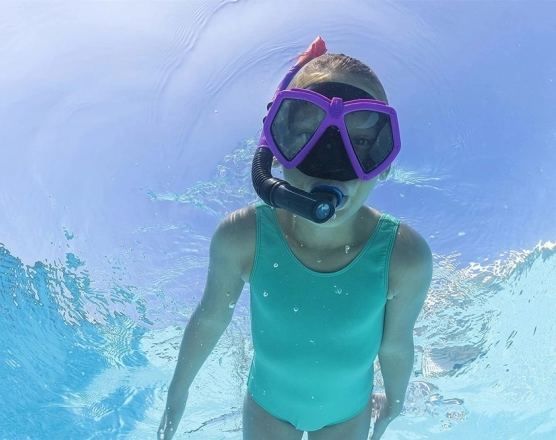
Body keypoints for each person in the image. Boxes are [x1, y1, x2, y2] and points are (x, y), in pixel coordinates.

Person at [158, 36, 433, 440]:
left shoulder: (404, 257)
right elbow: (211, 318)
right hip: (268, 409)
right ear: (275, 147)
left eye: (360, 142)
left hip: (347, 417)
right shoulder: (243, 238)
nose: (332, 162)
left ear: (384, 161)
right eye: (306, 134)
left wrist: (395, 402)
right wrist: (176, 396)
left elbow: (395, 345)